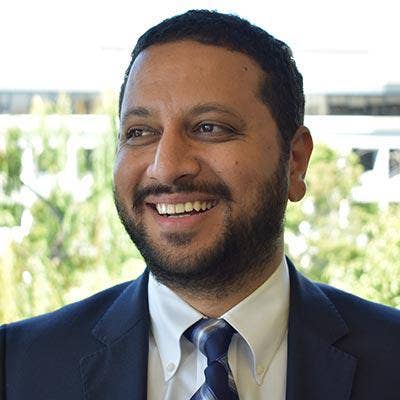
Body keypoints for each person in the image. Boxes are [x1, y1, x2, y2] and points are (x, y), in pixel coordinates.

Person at [1, 9, 400, 400]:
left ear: (295, 161)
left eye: (210, 128)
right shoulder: (17, 367)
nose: (166, 167)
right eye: (139, 132)